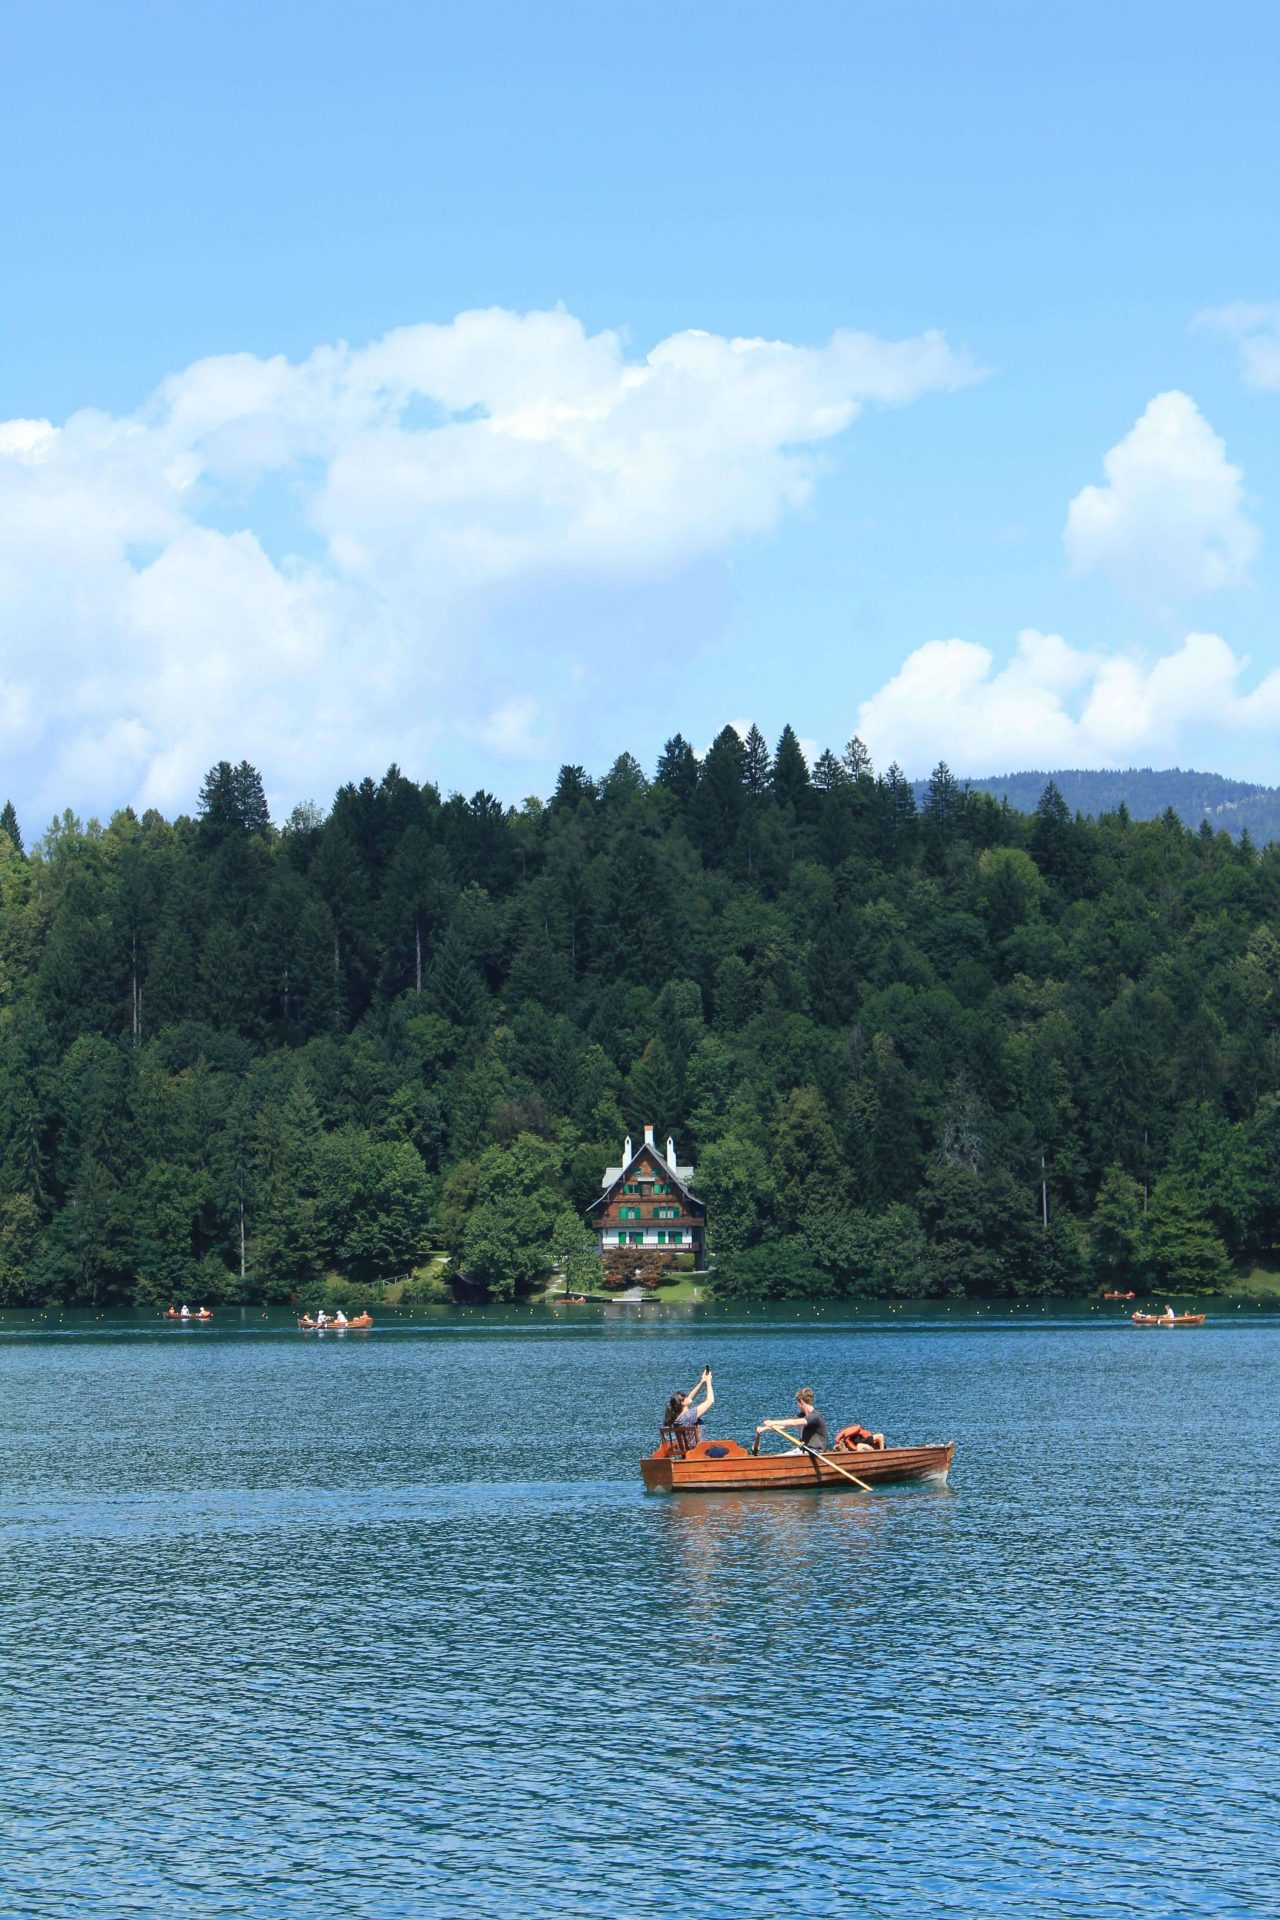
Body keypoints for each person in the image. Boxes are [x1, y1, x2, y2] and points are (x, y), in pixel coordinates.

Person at [756, 1387, 830, 1457]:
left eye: (797, 1403)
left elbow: (794, 1422)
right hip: (804, 1450)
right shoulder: (802, 1415)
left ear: (801, 1401)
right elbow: (785, 1426)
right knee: (778, 1457)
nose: (797, 1405)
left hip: (815, 1452)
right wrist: (765, 1429)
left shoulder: (815, 1417)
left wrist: (773, 1422)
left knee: (779, 1460)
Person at [664, 1368, 714, 1448]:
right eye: (685, 1397)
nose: (688, 1397)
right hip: (700, 1451)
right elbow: (710, 1401)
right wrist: (708, 1382)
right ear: (683, 1403)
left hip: (690, 1451)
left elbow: (690, 1399)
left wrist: (702, 1382)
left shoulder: (678, 1418)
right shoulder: (689, 1415)